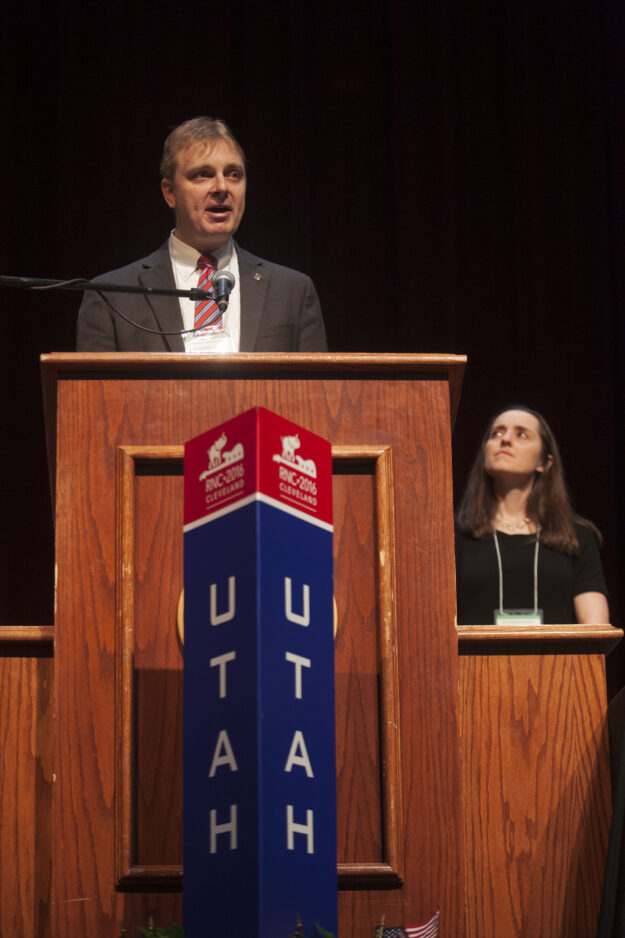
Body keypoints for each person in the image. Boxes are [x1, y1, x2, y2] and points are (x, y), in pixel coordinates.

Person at [76, 117, 327, 353]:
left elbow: (316, 386)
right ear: (170, 192)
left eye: (233, 174)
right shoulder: (111, 296)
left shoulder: (292, 292)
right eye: (203, 175)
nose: (222, 187)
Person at [455, 405, 609, 625]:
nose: (505, 439)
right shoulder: (456, 535)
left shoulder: (577, 537)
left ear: (544, 463)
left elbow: (596, 629)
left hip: (559, 651)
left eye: (521, 434)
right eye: (496, 433)